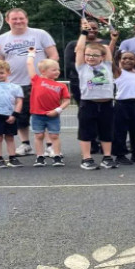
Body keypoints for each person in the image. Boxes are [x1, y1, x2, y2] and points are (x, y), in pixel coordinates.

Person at [0, 8, 59, 156]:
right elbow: (0, 63)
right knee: (20, 117)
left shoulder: (40, 34)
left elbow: (54, 55)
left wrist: (46, 74)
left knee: (45, 114)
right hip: (15, 85)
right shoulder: (1, 39)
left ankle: (49, 145)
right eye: (14, 19)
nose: (18, 21)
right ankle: (25, 144)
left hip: (41, 83)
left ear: (27, 19)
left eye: (21, 18)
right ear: (7, 20)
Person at [75, 28, 117, 170]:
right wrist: (84, 33)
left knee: (107, 131)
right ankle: (86, 158)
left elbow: (106, 48)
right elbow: (80, 49)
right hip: (88, 103)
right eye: (88, 55)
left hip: (106, 104)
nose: (90, 57)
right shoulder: (82, 67)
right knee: (86, 132)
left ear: (102, 57)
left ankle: (107, 157)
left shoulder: (107, 65)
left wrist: (111, 38)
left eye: (95, 55)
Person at [64, 18, 108, 154]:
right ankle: (91, 143)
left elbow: (110, 62)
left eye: (94, 28)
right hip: (80, 85)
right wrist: (88, 69)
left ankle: (103, 142)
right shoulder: (73, 44)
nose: (92, 30)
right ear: (82, 28)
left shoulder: (104, 44)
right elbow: (69, 63)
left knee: (103, 115)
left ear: (98, 29)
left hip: (101, 84)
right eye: (88, 28)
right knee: (86, 115)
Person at [26, 55, 71, 167]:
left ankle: (57, 156)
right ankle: (40, 157)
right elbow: (29, 64)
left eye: (58, 70)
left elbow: (67, 101)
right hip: (37, 114)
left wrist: (57, 110)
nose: (57, 72)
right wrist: (31, 54)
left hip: (53, 115)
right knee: (39, 135)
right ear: (43, 71)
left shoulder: (61, 85)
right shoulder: (37, 80)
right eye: (54, 70)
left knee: (54, 136)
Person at [0, 56, 25, 168]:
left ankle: (12, 158)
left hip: (10, 114)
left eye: (1, 73)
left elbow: (19, 102)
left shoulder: (16, 87)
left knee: (10, 137)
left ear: (8, 73)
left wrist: (14, 115)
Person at [112, 50, 135, 165]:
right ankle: (120, 155)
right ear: (119, 60)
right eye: (124, 58)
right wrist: (113, 41)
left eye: (131, 58)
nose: (127, 60)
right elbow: (109, 60)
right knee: (120, 131)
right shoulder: (118, 72)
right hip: (122, 104)